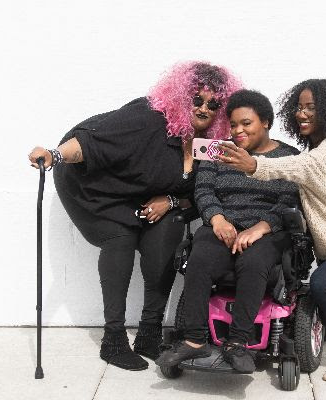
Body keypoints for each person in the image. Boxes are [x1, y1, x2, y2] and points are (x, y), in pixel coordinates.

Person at [27, 61, 242, 371]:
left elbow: (202, 193)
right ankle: (113, 340)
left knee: (169, 234)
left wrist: (170, 201)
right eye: (197, 98)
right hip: (91, 185)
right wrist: (54, 155)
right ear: (182, 96)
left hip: (142, 194)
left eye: (214, 103)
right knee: (121, 238)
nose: (205, 108)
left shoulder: (208, 145)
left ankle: (149, 334)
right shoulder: (148, 119)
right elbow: (91, 142)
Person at [218, 79, 326, 382]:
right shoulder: (318, 147)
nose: (302, 113)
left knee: (321, 285)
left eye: (311, 107)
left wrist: (253, 165)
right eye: (299, 107)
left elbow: (299, 167)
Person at [156, 89, 300, 373]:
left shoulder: (288, 156)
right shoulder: (217, 152)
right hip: (224, 226)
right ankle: (195, 340)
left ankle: (238, 343)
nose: (238, 130)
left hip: (267, 231)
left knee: (254, 261)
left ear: (266, 122)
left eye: (246, 123)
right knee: (200, 258)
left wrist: (262, 227)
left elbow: (290, 198)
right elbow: (204, 190)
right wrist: (218, 219)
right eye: (233, 124)